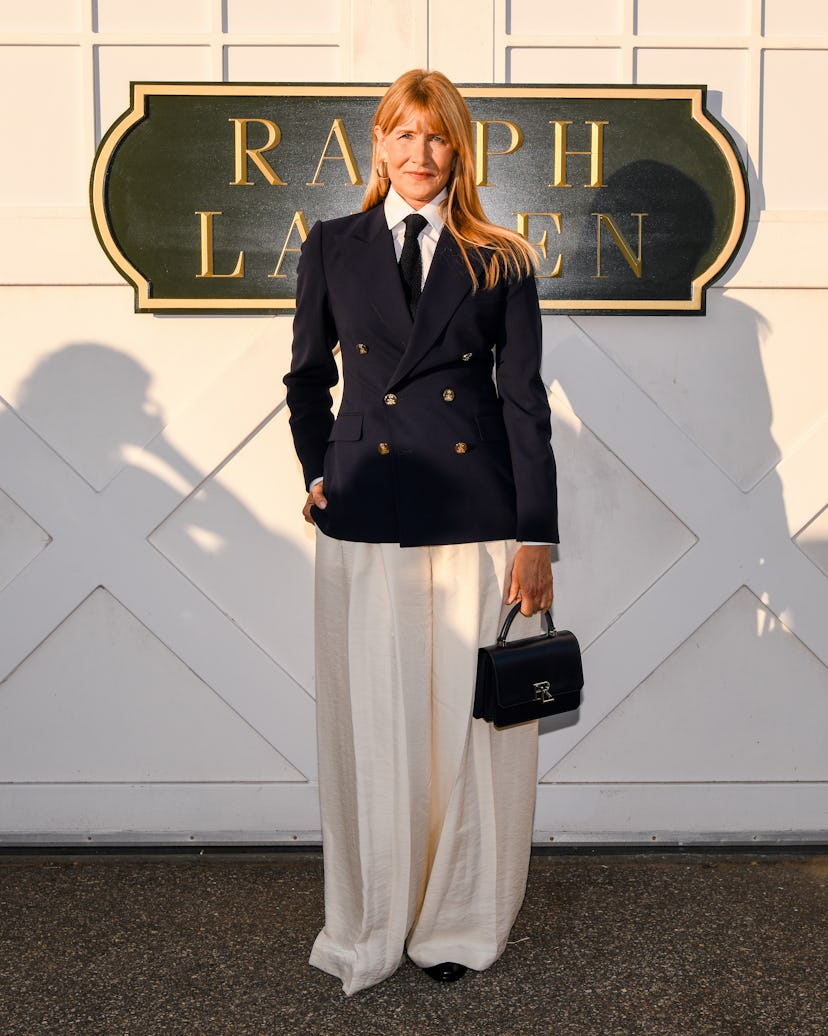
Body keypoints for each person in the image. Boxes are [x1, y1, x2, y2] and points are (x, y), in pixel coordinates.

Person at [283, 69, 558, 996]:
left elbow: (525, 406)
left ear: (459, 149)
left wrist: (537, 536)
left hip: (472, 516)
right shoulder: (332, 245)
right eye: (402, 137)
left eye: (436, 138)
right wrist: (319, 469)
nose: (418, 156)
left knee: (465, 729)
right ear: (377, 146)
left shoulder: (502, 257)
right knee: (375, 719)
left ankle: (459, 919)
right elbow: (305, 380)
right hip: (365, 510)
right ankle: (373, 916)